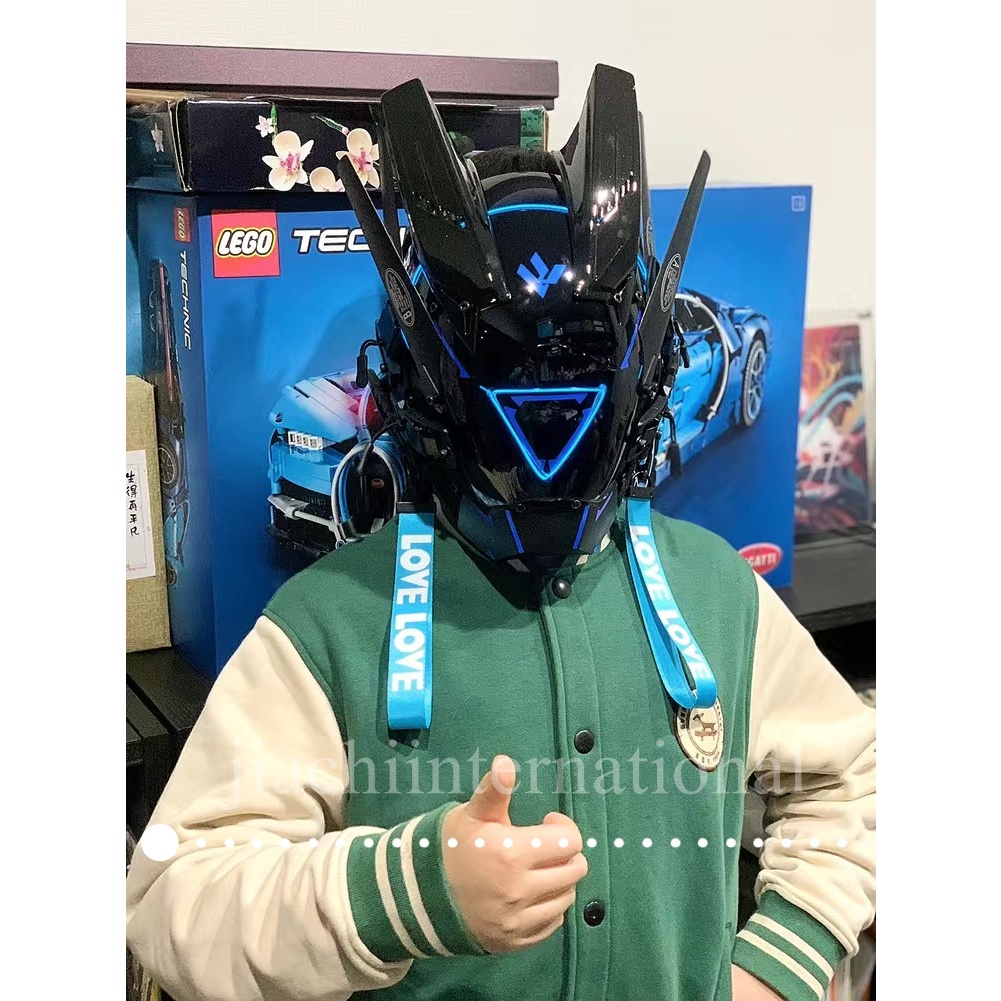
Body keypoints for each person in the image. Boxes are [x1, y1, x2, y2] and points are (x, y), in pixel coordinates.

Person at [126, 65, 875, 1001]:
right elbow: (171, 897)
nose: (546, 426)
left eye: (573, 383)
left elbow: (856, 776)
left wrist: (783, 960)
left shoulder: (718, 595)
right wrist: (398, 893)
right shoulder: (328, 629)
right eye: (517, 386)